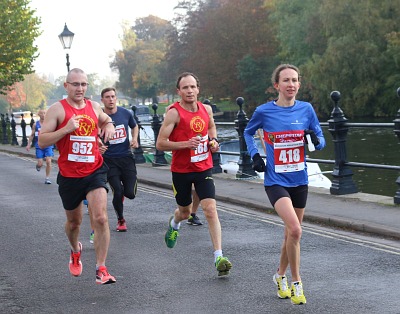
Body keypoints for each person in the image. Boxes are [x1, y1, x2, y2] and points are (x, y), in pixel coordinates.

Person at [244, 64, 325, 304]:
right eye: (286, 80)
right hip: (276, 180)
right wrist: (255, 155)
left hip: (299, 179)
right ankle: (297, 283)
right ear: (276, 85)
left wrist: (314, 139)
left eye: (295, 80)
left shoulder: (307, 109)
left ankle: (279, 276)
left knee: (291, 234)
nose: (291, 84)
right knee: (296, 230)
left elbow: (320, 140)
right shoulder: (264, 111)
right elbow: (248, 132)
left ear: (299, 84)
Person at [38, 68, 117, 285]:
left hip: (94, 169)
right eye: (75, 84)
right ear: (66, 86)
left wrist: (108, 125)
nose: (80, 88)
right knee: (74, 223)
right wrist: (66, 129)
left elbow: (105, 119)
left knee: (100, 217)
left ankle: (101, 268)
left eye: (83, 84)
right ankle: (75, 250)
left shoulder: (93, 106)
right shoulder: (57, 110)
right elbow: (43, 141)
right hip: (69, 175)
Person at [156, 72, 232, 276]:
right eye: (185, 88)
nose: (190, 91)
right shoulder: (174, 113)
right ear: (178, 91)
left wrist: (213, 141)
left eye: (193, 87)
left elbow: (211, 128)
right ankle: (174, 224)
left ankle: (219, 257)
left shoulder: (206, 109)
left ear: (198, 88)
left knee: (210, 209)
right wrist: (185, 144)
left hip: (203, 168)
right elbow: (160, 143)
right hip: (181, 171)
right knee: (185, 212)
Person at [100, 87, 139, 232]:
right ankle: (121, 220)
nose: (111, 99)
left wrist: (134, 139)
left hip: (126, 158)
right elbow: (91, 133)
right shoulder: (100, 116)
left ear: (116, 98)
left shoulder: (125, 113)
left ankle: (123, 194)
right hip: (109, 160)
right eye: (107, 97)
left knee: (130, 193)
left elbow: (135, 127)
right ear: (102, 100)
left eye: (113, 96)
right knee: (117, 191)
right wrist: (98, 147)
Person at [26, 109, 54, 184]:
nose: (44, 115)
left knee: (48, 161)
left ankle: (47, 178)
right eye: (42, 113)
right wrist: (28, 144)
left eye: (45, 113)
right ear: (39, 115)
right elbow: (32, 135)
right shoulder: (35, 124)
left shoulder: (50, 124)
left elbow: (54, 134)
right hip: (39, 145)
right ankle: (38, 166)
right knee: (40, 163)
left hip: (48, 145)